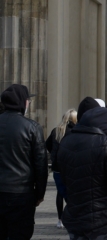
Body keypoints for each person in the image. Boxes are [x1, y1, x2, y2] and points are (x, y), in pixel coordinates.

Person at [57, 106, 107, 240]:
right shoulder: (106, 143)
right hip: (101, 216)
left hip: (74, 212)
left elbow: (62, 176)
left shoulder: (66, 141)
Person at [0, 84, 48, 240]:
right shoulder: (32, 127)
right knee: (20, 234)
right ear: (23, 102)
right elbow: (40, 164)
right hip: (21, 194)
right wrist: (39, 194)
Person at [46, 109, 78, 229]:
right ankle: (72, 216)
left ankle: (60, 219)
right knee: (72, 193)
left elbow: (47, 144)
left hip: (57, 167)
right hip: (70, 167)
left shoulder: (56, 130)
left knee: (60, 193)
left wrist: (54, 155)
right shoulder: (75, 131)